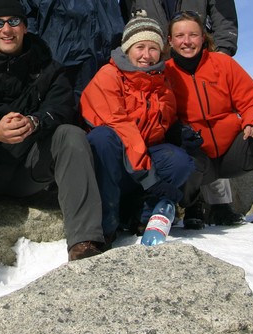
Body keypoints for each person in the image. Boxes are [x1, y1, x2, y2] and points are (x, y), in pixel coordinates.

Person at [0, 0, 105, 297]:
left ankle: (84, 243)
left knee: (71, 135)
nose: (6, 29)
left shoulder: (49, 68)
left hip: (32, 168)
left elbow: (63, 108)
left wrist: (36, 122)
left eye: (14, 22)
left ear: (25, 27)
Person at [119, 0, 241, 227]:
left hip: (201, 53)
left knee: (215, 119)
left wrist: (224, 49)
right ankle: (192, 202)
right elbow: (128, 22)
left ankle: (221, 203)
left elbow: (221, 3)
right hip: (163, 65)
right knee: (179, 130)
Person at [164, 11, 253, 247]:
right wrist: (178, 134)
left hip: (232, 151)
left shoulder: (223, 64)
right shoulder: (166, 73)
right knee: (175, 158)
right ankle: (192, 205)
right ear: (170, 41)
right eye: (180, 35)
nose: (187, 41)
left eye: (193, 34)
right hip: (198, 157)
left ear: (203, 37)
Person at [80, 15, 195, 244]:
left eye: (153, 48)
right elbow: (119, 127)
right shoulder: (108, 76)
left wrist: (178, 133)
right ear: (127, 48)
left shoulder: (163, 84)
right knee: (102, 138)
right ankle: (106, 224)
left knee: (179, 160)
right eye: (140, 47)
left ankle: (142, 217)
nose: (146, 55)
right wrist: (150, 178)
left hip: (139, 162)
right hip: (112, 165)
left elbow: (161, 127)